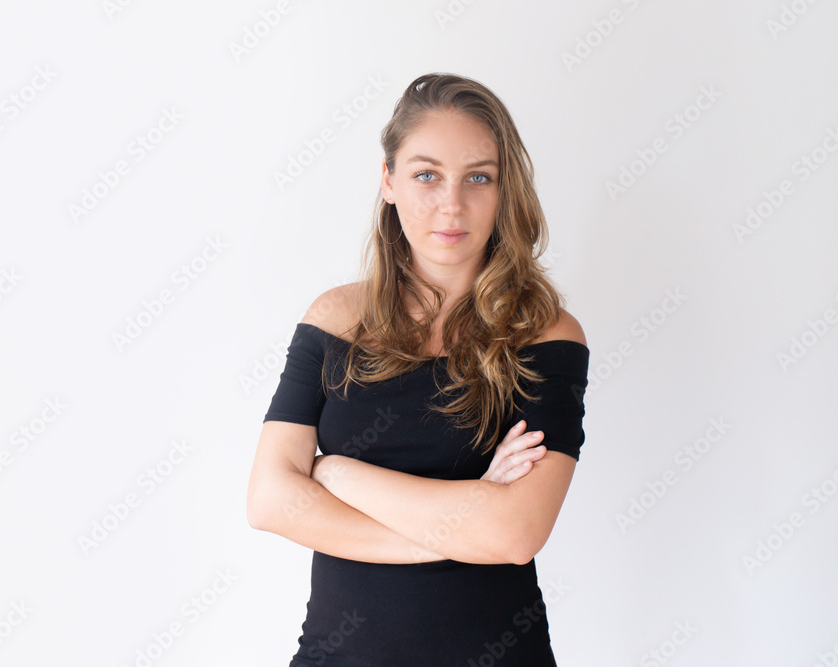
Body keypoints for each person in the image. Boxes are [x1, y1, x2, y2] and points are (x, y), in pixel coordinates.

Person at [247, 72, 590, 666]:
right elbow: (270, 501)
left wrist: (337, 475)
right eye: (426, 175)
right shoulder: (335, 321)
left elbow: (514, 534)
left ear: (505, 190)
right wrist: (456, 528)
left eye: (478, 177)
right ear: (388, 181)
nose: (451, 204)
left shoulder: (545, 336)